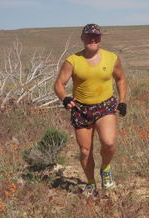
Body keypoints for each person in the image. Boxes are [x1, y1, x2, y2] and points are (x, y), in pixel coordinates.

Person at [54, 23, 127, 196]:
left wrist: (122, 101)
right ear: (82, 38)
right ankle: (91, 183)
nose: (92, 39)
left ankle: (106, 168)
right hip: (81, 109)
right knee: (85, 151)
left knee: (108, 143)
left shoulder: (112, 58)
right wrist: (65, 98)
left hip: (105, 106)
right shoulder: (73, 60)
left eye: (96, 36)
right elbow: (59, 84)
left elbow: (121, 79)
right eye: (89, 36)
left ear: (100, 38)